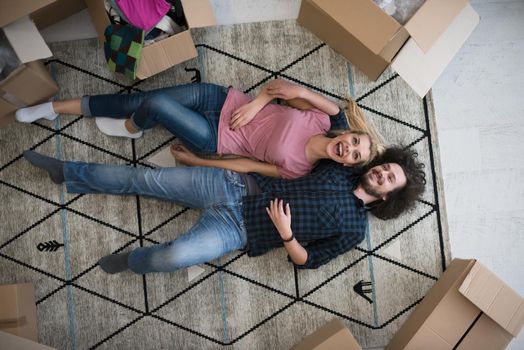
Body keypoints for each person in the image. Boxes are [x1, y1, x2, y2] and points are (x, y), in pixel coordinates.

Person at [22, 146, 425, 274]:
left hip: (239, 230)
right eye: (386, 166)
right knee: (143, 180)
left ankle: (134, 260)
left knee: (175, 256)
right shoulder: (342, 167)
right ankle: (69, 174)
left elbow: (308, 262)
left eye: (389, 180)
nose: (382, 173)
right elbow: (329, 125)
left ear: (388, 198)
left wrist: (286, 232)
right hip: (233, 185)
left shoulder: (355, 231)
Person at [15, 79, 382, 179]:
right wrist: (255, 103)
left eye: (355, 155)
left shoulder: (300, 170)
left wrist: (197, 161)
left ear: (348, 165)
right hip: (222, 99)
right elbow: (284, 90)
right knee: (138, 101)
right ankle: (52, 109)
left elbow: (245, 166)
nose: (349, 149)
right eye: (354, 141)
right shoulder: (324, 117)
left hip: (213, 137)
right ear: (347, 133)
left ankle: (131, 127)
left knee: (154, 105)